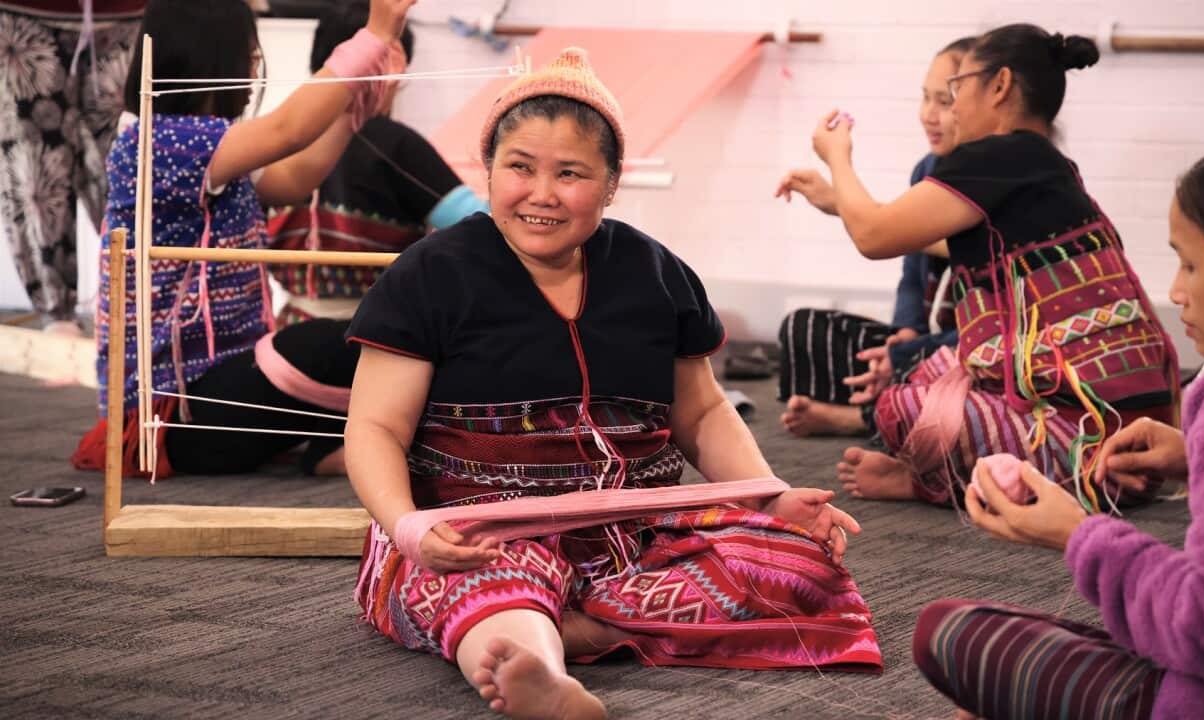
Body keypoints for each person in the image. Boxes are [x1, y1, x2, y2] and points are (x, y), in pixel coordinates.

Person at [343, 48, 880, 719]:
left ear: (611, 183)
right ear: (488, 171)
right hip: (472, 531)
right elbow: (373, 428)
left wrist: (768, 501)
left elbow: (705, 414)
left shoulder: (654, 272)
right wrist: (410, 528)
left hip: (635, 535)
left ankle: (584, 631)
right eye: (519, 168)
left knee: (799, 561)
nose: (541, 194)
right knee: (490, 580)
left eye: (570, 174)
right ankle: (539, 665)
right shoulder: (428, 275)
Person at [914, 135, 1204, 720]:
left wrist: (1078, 533)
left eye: (1190, 263)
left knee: (950, 634)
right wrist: (1199, 456)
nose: (1176, 292)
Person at [802, 24, 1177, 507]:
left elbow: (874, 236)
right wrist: (839, 202)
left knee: (900, 407)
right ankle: (979, 470)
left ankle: (936, 484)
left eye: (956, 89)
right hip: (1146, 438)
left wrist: (838, 156)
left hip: (1098, 439)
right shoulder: (1046, 164)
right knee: (926, 371)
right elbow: (908, 237)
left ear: (999, 85)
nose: (950, 108)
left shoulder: (997, 155)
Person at [70, 0, 415, 478]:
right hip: (178, 413)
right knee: (356, 342)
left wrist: (357, 110)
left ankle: (342, 449)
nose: (255, 64)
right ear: (213, 58)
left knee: (364, 344)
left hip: (210, 402)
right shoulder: (157, 142)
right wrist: (373, 39)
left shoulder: (204, 148)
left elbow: (292, 178)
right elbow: (287, 131)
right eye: (248, 51)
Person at [775, 37, 973, 438]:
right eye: (925, 98)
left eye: (945, 101)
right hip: (931, 338)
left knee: (965, 366)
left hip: (974, 342)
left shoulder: (989, 174)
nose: (929, 115)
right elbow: (912, 269)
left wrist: (907, 352)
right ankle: (891, 397)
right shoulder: (928, 169)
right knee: (802, 327)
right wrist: (908, 330)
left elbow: (958, 251)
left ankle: (862, 417)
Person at [266, 0, 488, 326]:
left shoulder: (274, 140)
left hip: (285, 330)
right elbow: (484, 225)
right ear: (387, 68)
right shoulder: (394, 143)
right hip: (374, 334)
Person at [0, 0, 144, 333]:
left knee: (132, 162)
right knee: (35, 172)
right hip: (23, 17)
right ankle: (57, 315)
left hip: (128, 16)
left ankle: (149, 296)